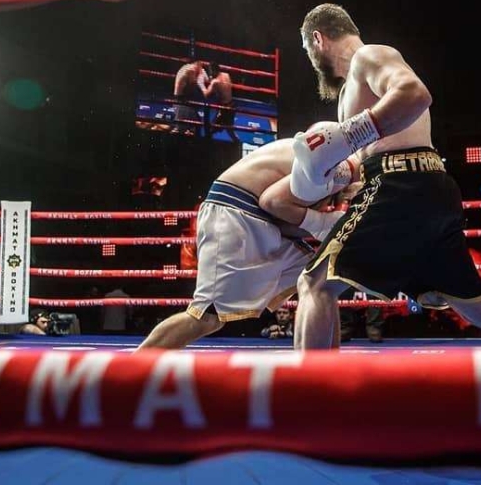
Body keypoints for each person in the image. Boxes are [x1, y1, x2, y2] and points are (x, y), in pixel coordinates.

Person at [282, 3, 481, 350]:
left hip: (401, 186)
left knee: (314, 284)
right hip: (426, 187)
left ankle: (307, 385)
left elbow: (415, 94)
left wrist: (349, 136)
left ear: (317, 39)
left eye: (307, 49)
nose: (310, 60)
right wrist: (338, 173)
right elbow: (372, 149)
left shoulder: (369, 56)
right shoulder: (350, 90)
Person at [135, 137, 356, 351]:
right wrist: (324, 224)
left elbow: (282, 220)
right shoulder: (328, 170)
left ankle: (323, 368)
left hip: (258, 219)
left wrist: (324, 226)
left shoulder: (329, 161)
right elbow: (272, 203)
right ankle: (134, 368)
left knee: (323, 282)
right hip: (234, 214)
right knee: (206, 317)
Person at [202, 62, 238, 142]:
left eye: (210, 71)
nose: (210, 73)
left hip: (225, 109)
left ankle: (206, 144)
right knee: (229, 129)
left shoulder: (215, 82)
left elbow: (206, 94)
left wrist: (200, 83)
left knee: (212, 129)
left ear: (213, 70)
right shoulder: (226, 75)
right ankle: (237, 143)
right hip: (232, 105)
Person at [173, 58, 209, 131]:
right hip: (182, 101)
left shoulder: (187, 67)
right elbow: (192, 88)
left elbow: (207, 80)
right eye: (201, 66)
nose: (202, 69)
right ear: (198, 64)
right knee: (184, 128)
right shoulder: (191, 70)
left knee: (194, 125)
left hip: (184, 100)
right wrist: (200, 78)